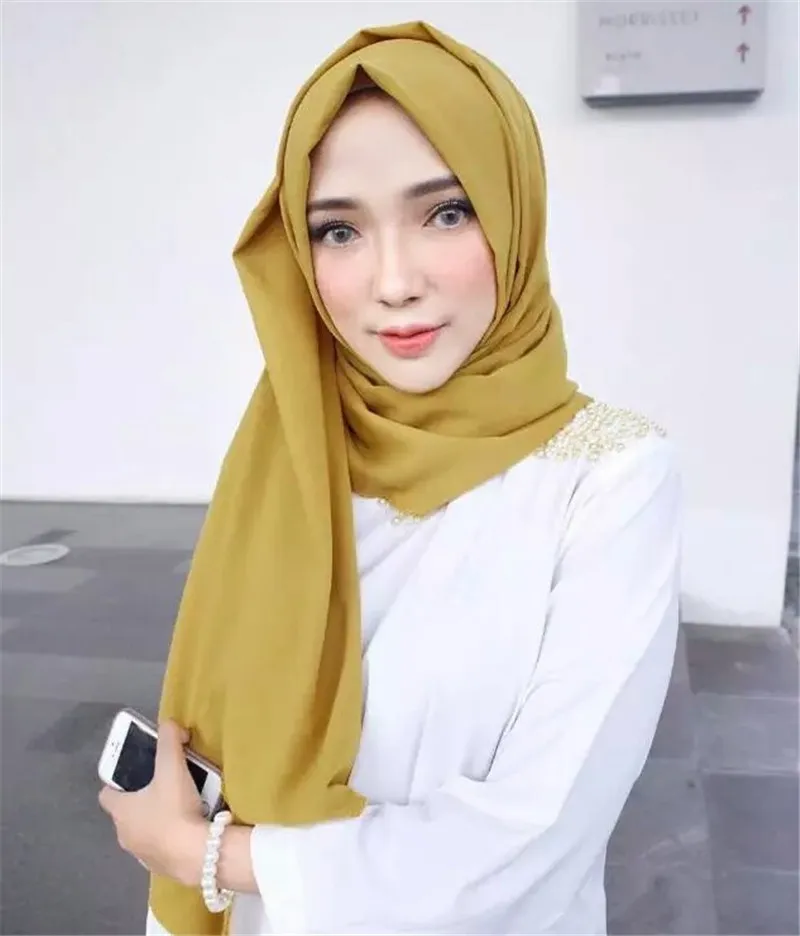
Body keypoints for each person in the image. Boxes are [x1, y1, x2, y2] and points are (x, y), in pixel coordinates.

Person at [98, 21, 682, 936]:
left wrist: (204, 857)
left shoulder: (609, 477)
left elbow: (535, 839)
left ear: (515, 213)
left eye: (445, 213)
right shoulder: (288, 451)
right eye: (339, 230)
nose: (395, 281)